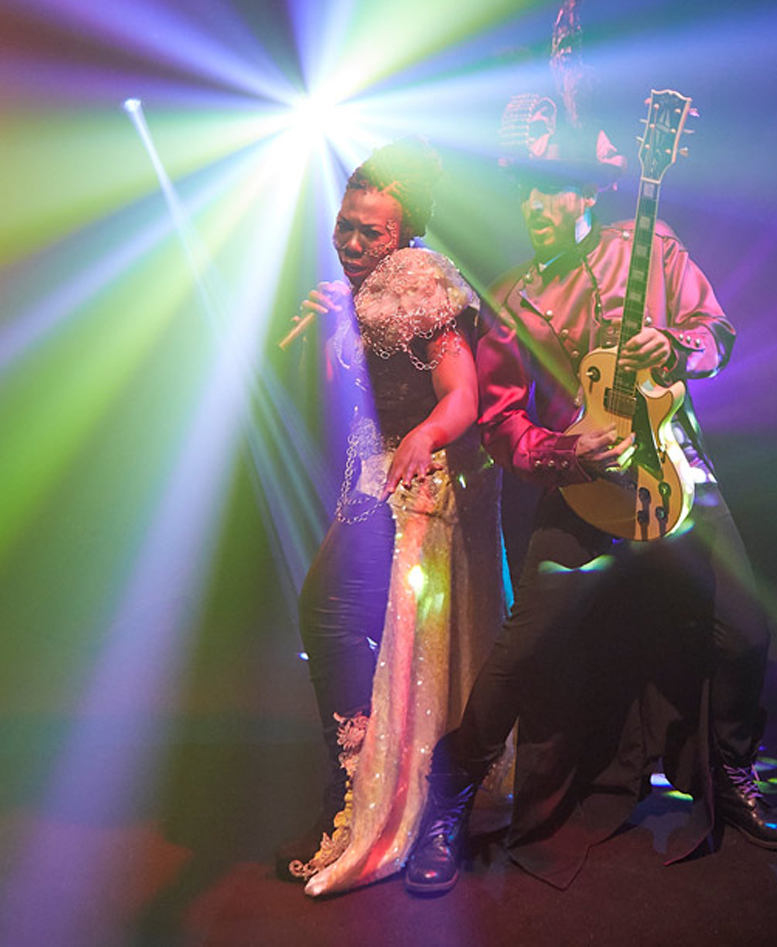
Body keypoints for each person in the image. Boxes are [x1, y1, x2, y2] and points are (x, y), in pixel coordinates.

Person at [404, 101, 777, 896]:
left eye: (551, 191)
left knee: (744, 630)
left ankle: (731, 772)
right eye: (525, 193)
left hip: (674, 475)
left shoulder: (650, 248)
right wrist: (566, 452)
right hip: (584, 486)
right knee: (523, 649)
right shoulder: (516, 299)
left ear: (588, 193)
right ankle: (450, 798)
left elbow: (718, 334)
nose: (534, 207)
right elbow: (500, 422)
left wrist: (678, 345)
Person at [274, 139, 507, 896]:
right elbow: (349, 395)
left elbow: (462, 394)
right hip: (372, 474)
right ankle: (362, 778)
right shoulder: (367, 287)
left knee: (339, 615)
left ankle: (362, 784)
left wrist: (427, 435)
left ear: (401, 234)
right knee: (361, 631)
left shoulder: (418, 280)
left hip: (415, 485)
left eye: (369, 231)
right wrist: (333, 329)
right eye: (344, 225)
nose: (350, 241)